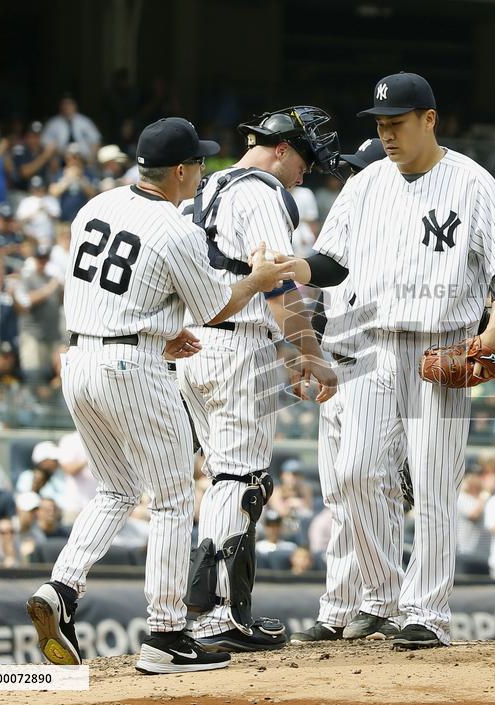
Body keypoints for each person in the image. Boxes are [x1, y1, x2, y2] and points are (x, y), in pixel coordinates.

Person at [24, 117, 296, 675]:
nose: (202, 170)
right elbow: (213, 308)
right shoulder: (176, 228)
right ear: (178, 170)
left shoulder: (94, 207)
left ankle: (62, 588)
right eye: (197, 162)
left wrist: (157, 326)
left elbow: (111, 289)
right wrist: (257, 279)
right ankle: (168, 635)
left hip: (80, 359)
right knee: (172, 498)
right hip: (133, 365)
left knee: (117, 489)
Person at [279, 73, 495, 650]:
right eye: (380, 125)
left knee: (436, 486)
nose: (386, 134)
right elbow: (332, 264)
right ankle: (382, 596)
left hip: (439, 348)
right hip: (369, 343)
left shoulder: (471, 181)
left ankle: (427, 612)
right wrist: (296, 269)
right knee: (358, 471)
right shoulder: (366, 184)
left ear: (429, 119)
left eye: (396, 123)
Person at [177, 105, 339, 653]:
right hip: (235, 346)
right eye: (306, 161)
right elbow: (276, 286)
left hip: (194, 344)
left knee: (226, 478)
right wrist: (311, 354)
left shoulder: (206, 185)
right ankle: (215, 617)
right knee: (239, 484)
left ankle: (217, 613)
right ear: (283, 149)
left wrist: (288, 356)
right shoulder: (264, 191)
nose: (305, 174)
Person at [290, 137, 411, 644]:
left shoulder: (399, 234)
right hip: (337, 367)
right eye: (351, 172)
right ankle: (338, 608)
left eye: (363, 170)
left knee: (370, 483)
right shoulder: (345, 233)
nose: (352, 179)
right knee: (340, 492)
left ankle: (384, 604)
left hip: (375, 363)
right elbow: (322, 306)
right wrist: (309, 358)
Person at [14, 240, 62, 383]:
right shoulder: (27, 279)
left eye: (44, 259)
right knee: (34, 376)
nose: (42, 262)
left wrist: (60, 287)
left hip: (52, 336)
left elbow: (61, 301)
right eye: (39, 259)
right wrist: (48, 289)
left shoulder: (52, 279)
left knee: (54, 377)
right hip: (33, 336)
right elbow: (25, 302)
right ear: (34, 259)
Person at [42, 95, 102, 160]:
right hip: (61, 158)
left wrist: (91, 158)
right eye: (64, 104)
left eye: (69, 104)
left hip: (83, 158)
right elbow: (44, 142)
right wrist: (54, 157)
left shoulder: (85, 121)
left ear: (75, 105)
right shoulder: (53, 123)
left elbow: (96, 140)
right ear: (60, 106)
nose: (67, 107)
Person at [16, 176, 61, 249]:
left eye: (40, 187)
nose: (38, 190)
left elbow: (57, 218)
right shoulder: (26, 201)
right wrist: (34, 213)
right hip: (32, 239)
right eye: (35, 188)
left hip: (49, 237)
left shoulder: (50, 199)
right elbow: (20, 221)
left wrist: (46, 210)